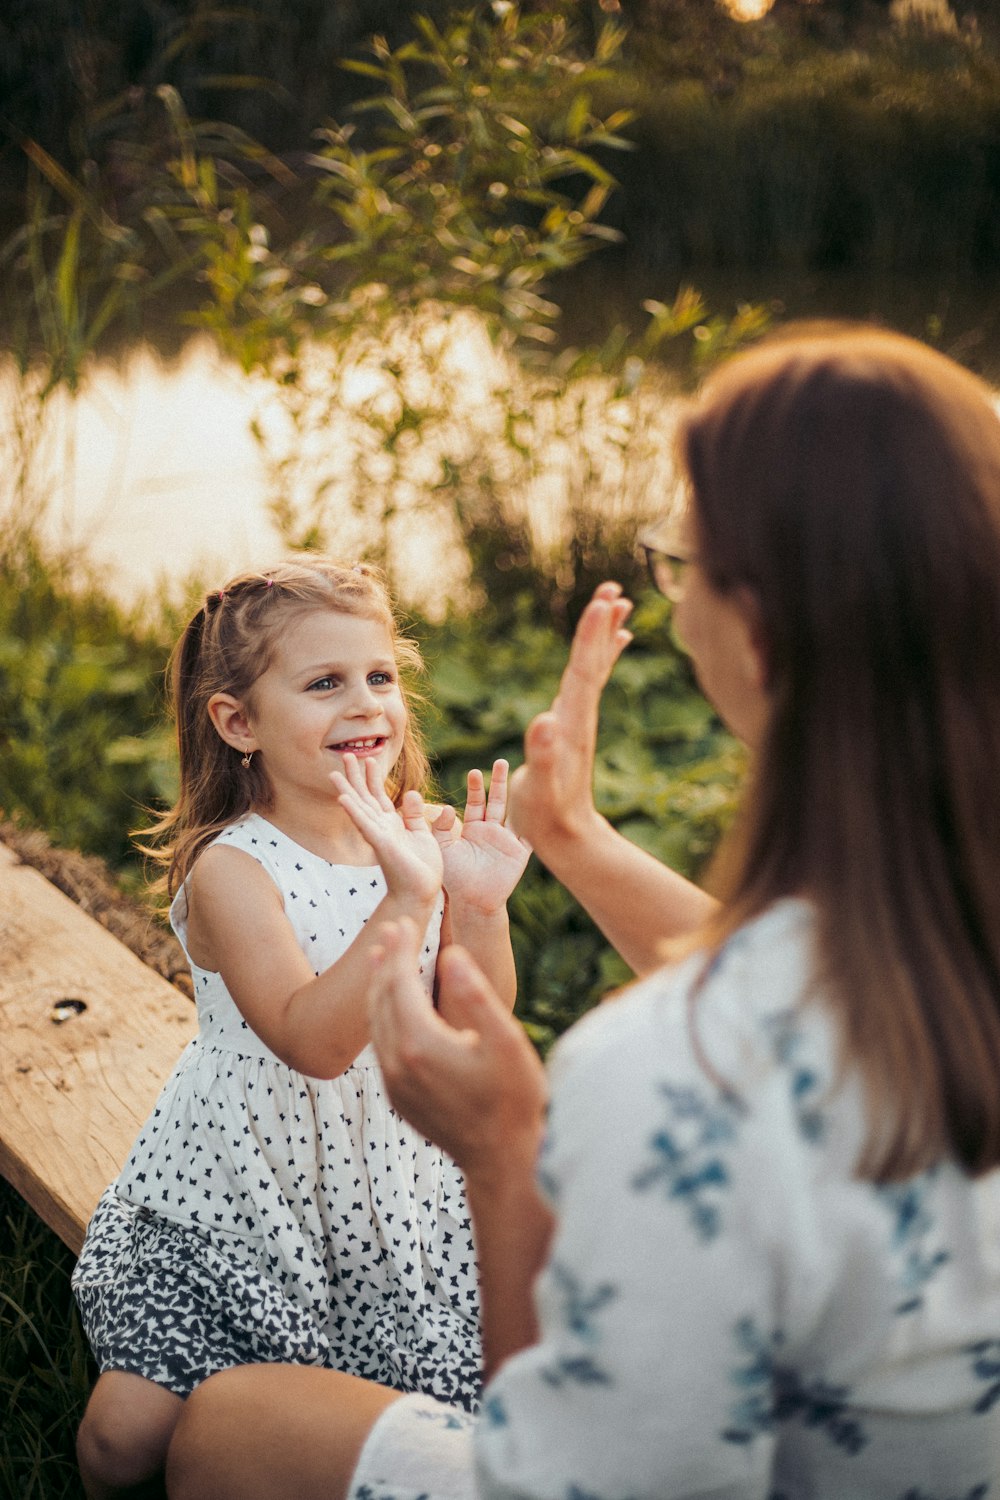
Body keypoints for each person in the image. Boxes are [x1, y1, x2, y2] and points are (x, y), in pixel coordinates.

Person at [166, 325, 1000, 1500]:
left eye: (681, 559)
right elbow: (813, 969)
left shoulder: (666, 1067)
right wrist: (573, 835)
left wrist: (504, 1159)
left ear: (752, 629)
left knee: (232, 1424)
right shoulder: (938, 933)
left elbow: (563, 1480)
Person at [71, 556, 531, 1499]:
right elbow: (311, 1042)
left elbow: (471, 1021)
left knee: (431, 1395)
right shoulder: (234, 870)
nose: (364, 704)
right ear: (239, 723)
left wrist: (476, 908)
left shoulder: (417, 834)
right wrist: (407, 897)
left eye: (380, 677)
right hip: (237, 1200)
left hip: (389, 1195)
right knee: (123, 1444)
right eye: (324, 683)